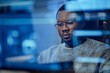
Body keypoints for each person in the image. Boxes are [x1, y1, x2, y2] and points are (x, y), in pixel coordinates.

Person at [37, 2, 110, 73]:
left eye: (70, 23)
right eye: (60, 24)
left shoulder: (103, 52)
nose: (64, 28)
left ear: (82, 23)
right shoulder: (46, 55)